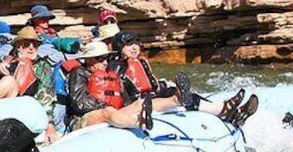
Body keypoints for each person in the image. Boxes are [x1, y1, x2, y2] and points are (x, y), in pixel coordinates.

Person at [110, 31, 259, 127]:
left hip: (152, 95)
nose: (134, 47)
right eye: (129, 44)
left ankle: (232, 113)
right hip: (139, 103)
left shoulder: (139, 61)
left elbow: (151, 83)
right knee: (182, 97)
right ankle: (225, 111)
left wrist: (164, 84)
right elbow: (123, 93)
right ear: (119, 47)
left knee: (186, 95)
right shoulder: (117, 67)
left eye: (135, 43)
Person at [67, 41, 189, 131]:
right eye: (99, 58)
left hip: (115, 113)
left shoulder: (111, 75)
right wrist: (107, 106)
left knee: (140, 103)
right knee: (108, 112)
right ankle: (140, 123)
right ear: (88, 60)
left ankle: (176, 99)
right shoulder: (79, 72)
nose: (105, 62)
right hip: (84, 118)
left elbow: (125, 101)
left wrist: (131, 107)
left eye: (107, 58)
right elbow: (80, 103)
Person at [0, 27, 60, 141]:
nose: (31, 48)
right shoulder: (5, 60)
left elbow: (47, 97)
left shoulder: (42, 66)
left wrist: (50, 126)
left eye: (34, 45)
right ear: (18, 47)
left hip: (24, 110)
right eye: (26, 44)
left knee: (9, 81)